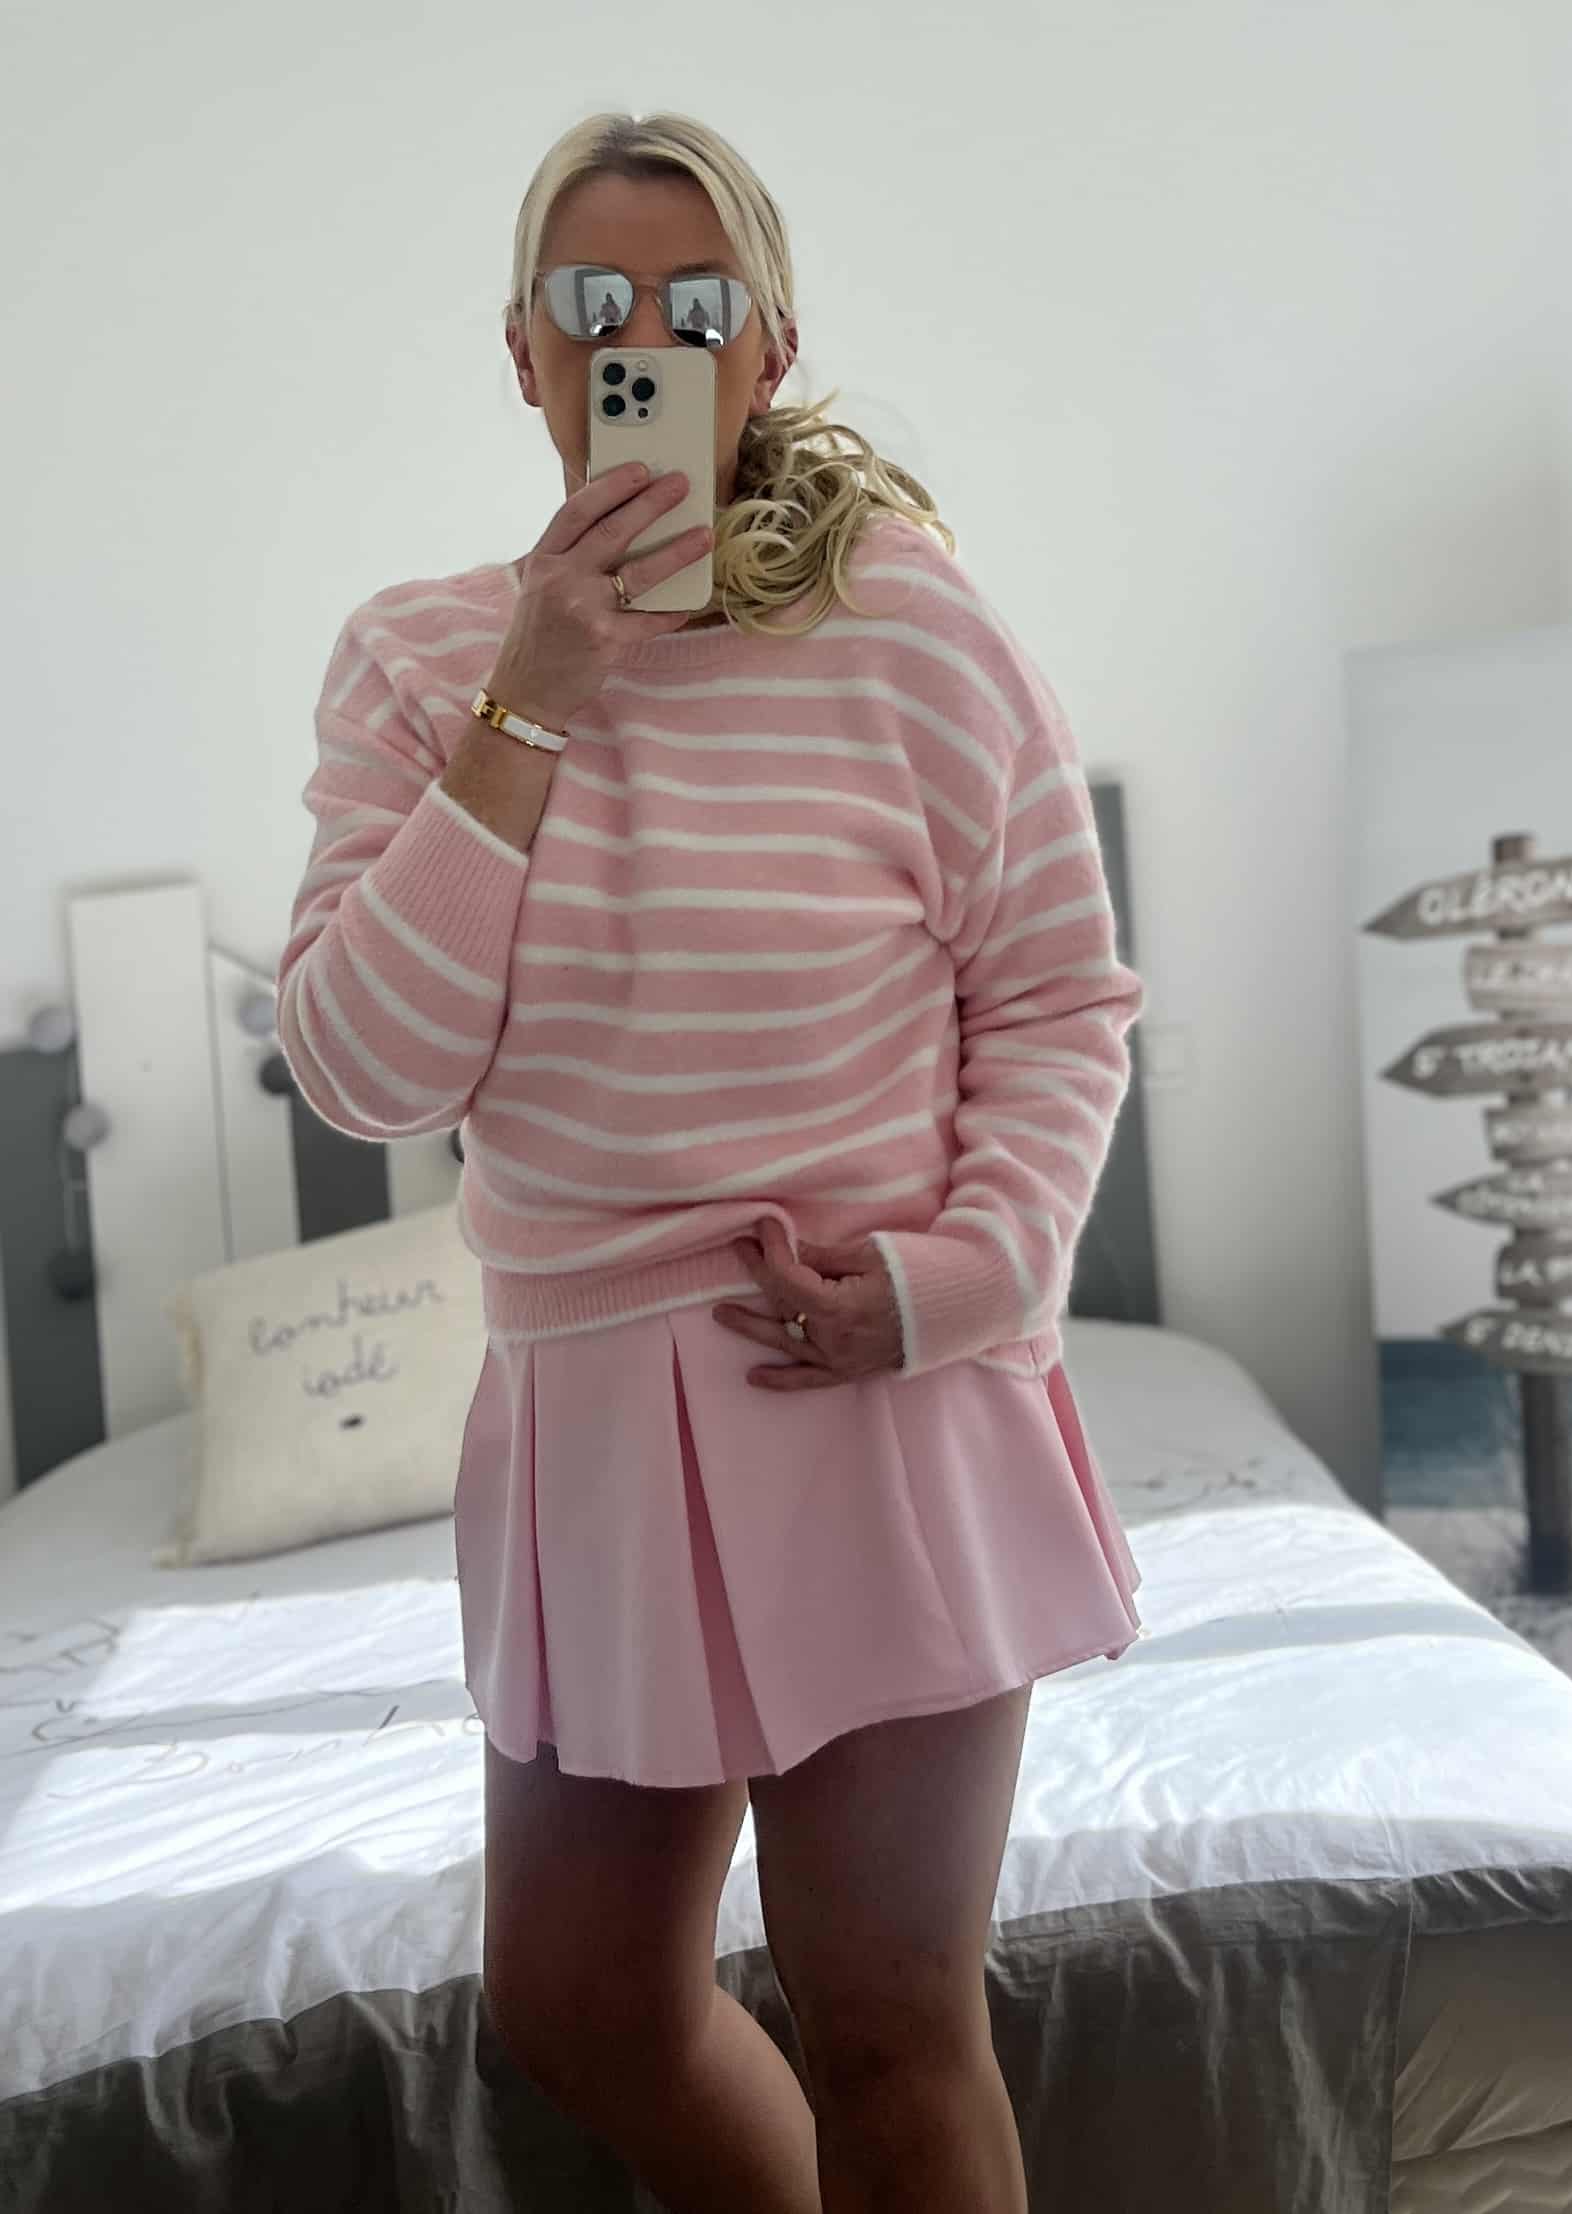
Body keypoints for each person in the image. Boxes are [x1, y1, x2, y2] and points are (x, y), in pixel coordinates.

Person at [277, 108, 1146, 2214]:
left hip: (877, 1390)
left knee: (889, 2019)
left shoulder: (913, 631)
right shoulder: (419, 659)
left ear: (769, 349)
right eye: (593, 304)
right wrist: (531, 697)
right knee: (578, 1998)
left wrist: (957, 1283)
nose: (639, 341)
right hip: (592, 1427)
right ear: (522, 351)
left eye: (694, 305)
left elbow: (1058, 998)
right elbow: (366, 1067)